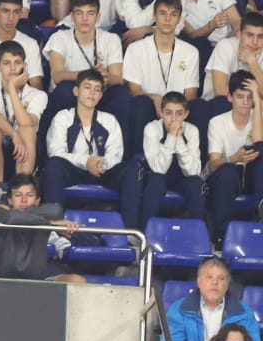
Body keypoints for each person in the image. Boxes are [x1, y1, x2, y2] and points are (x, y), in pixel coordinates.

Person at [41, 69, 140, 229]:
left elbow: (116, 154)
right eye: (87, 87)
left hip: (103, 172)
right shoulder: (62, 117)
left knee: (133, 168)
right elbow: (55, 152)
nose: (92, 93)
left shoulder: (109, 120)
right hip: (74, 170)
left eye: (97, 89)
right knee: (53, 165)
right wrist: (86, 161)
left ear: (101, 95)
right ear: (76, 91)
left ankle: (130, 233)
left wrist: (100, 165)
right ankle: (54, 229)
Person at [167, 258, 263, 341]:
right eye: (209, 277)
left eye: (221, 278)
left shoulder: (243, 311)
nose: (215, 283)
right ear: (199, 282)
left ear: (228, 284)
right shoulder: (179, 308)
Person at [0, 173, 86, 283]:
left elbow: (56, 210)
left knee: (77, 280)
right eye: (18, 195)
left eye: (29, 195)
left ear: (38, 200)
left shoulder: (45, 212)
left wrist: (47, 221)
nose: (24, 200)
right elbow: (13, 219)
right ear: (9, 199)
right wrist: (51, 223)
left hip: (39, 279)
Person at [122, 0, 200, 151]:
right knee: (141, 104)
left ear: (179, 19)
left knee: (199, 106)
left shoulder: (191, 52)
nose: (167, 19)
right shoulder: (136, 49)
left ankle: (196, 159)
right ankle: (138, 160)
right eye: (163, 13)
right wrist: (154, 98)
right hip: (149, 107)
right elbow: (134, 89)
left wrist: (173, 110)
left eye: (173, 15)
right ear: (154, 16)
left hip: (178, 111)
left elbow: (190, 93)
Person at [0, 41, 47, 205]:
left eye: (17, 63)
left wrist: (13, 89)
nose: (13, 68)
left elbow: (25, 121)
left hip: (23, 156)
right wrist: (13, 134)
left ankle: (22, 190)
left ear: (25, 66)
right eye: (7, 63)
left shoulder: (38, 95)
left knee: (27, 130)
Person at [206, 71, 263, 242]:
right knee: (228, 171)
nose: (246, 103)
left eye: (249, 97)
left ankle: (261, 206)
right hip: (227, 176)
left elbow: (259, 142)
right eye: (240, 97)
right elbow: (213, 164)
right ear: (230, 97)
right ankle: (221, 235)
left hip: (254, 176)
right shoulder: (217, 122)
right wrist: (235, 158)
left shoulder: (258, 115)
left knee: (260, 153)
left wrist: (258, 103)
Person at [141, 91, 206, 227]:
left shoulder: (192, 131)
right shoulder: (152, 128)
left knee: (196, 183)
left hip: (182, 178)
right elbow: (158, 169)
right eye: (169, 113)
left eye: (179, 113)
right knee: (155, 181)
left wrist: (180, 141)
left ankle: (196, 232)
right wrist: (171, 137)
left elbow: (193, 171)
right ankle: (146, 232)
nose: (174, 119)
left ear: (186, 114)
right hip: (159, 176)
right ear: (161, 112)